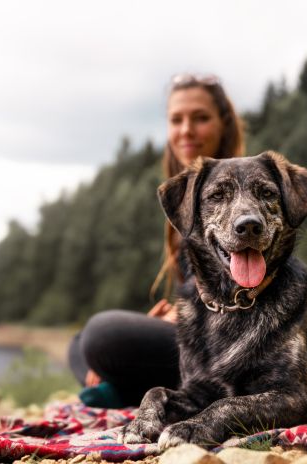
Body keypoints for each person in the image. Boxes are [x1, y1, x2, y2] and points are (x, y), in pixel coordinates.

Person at [68, 74, 245, 407]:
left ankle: (123, 391)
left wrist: (182, 314)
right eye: (176, 120)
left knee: (101, 336)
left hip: (232, 336)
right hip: (197, 331)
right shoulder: (185, 198)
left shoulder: (239, 193)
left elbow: (246, 291)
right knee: (79, 343)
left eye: (200, 118)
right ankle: (129, 388)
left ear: (224, 124)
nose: (186, 130)